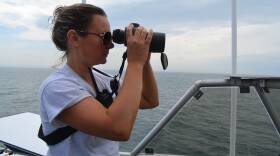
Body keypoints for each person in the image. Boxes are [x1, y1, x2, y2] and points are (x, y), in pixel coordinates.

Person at [38, 3, 159, 156]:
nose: (111, 45)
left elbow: (149, 100)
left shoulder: (103, 80)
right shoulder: (56, 87)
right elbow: (119, 129)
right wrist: (135, 63)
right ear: (74, 38)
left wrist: (144, 62)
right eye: (105, 37)